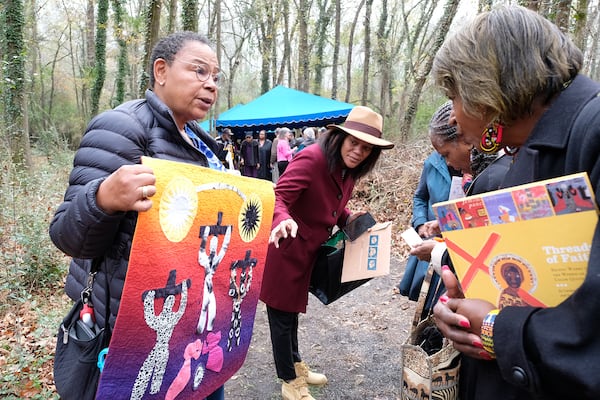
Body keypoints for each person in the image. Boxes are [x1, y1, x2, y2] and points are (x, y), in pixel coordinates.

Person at [430, 6, 600, 400]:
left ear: (483, 88)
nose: (454, 117)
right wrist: (457, 309)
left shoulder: (592, 135)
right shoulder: (530, 149)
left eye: (453, 96)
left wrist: (494, 329)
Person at [48, 31, 227, 400]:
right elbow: (67, 235)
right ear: (161, 70)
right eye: (199, 71)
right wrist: (103, 198)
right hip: (132, 331)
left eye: (215, 76)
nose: (210, 85)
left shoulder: (203, 144)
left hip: (190, 323)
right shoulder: (122, 127)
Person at [259, 106, 395, 400]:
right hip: (286, 248)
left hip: (308, 253)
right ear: (340, 137)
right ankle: (288, 381)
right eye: (354, 143)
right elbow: (279, 195)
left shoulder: (347, 169)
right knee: (281, 317)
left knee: (291, 313)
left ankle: (295, 365)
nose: (359, 151)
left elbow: (333, 204)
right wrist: (283, 219)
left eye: (367, 148)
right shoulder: (312, 158)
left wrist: (347, 219)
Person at [398, 101, 466, 307]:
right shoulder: (432, 163)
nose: (445, 160)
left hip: (458, 252)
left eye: (446, 153)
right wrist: (420, 223)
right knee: (427, 303)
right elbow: (420, 197)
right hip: (433, 243)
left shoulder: (481, 170)